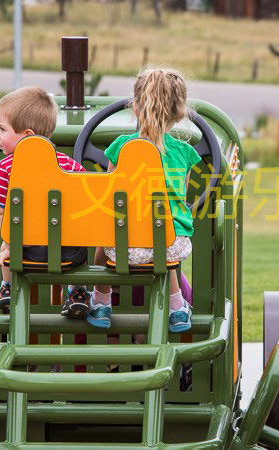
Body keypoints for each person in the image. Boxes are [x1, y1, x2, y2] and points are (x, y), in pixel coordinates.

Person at [89, 68, 202, 333]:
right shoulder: (185, 153)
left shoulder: (121, 147)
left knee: (104, 234)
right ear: (179, 112)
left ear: (136, 108)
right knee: (165, 228)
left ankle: (100, 298)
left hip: (122, 248)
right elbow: (179, 201)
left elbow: (111, 195)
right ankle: (177, 308)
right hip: (171, 247)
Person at [0, 86, 90, 317]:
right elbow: (85, 208)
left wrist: (10, 243)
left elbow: (1, 212)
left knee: (7, 244)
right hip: (69, 253)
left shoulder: (5, 168)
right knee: (80, 242)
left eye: (2, 129)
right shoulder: (71, 166)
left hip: (26, 251)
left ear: (28, 135)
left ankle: (8, 288)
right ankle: (77, 292)